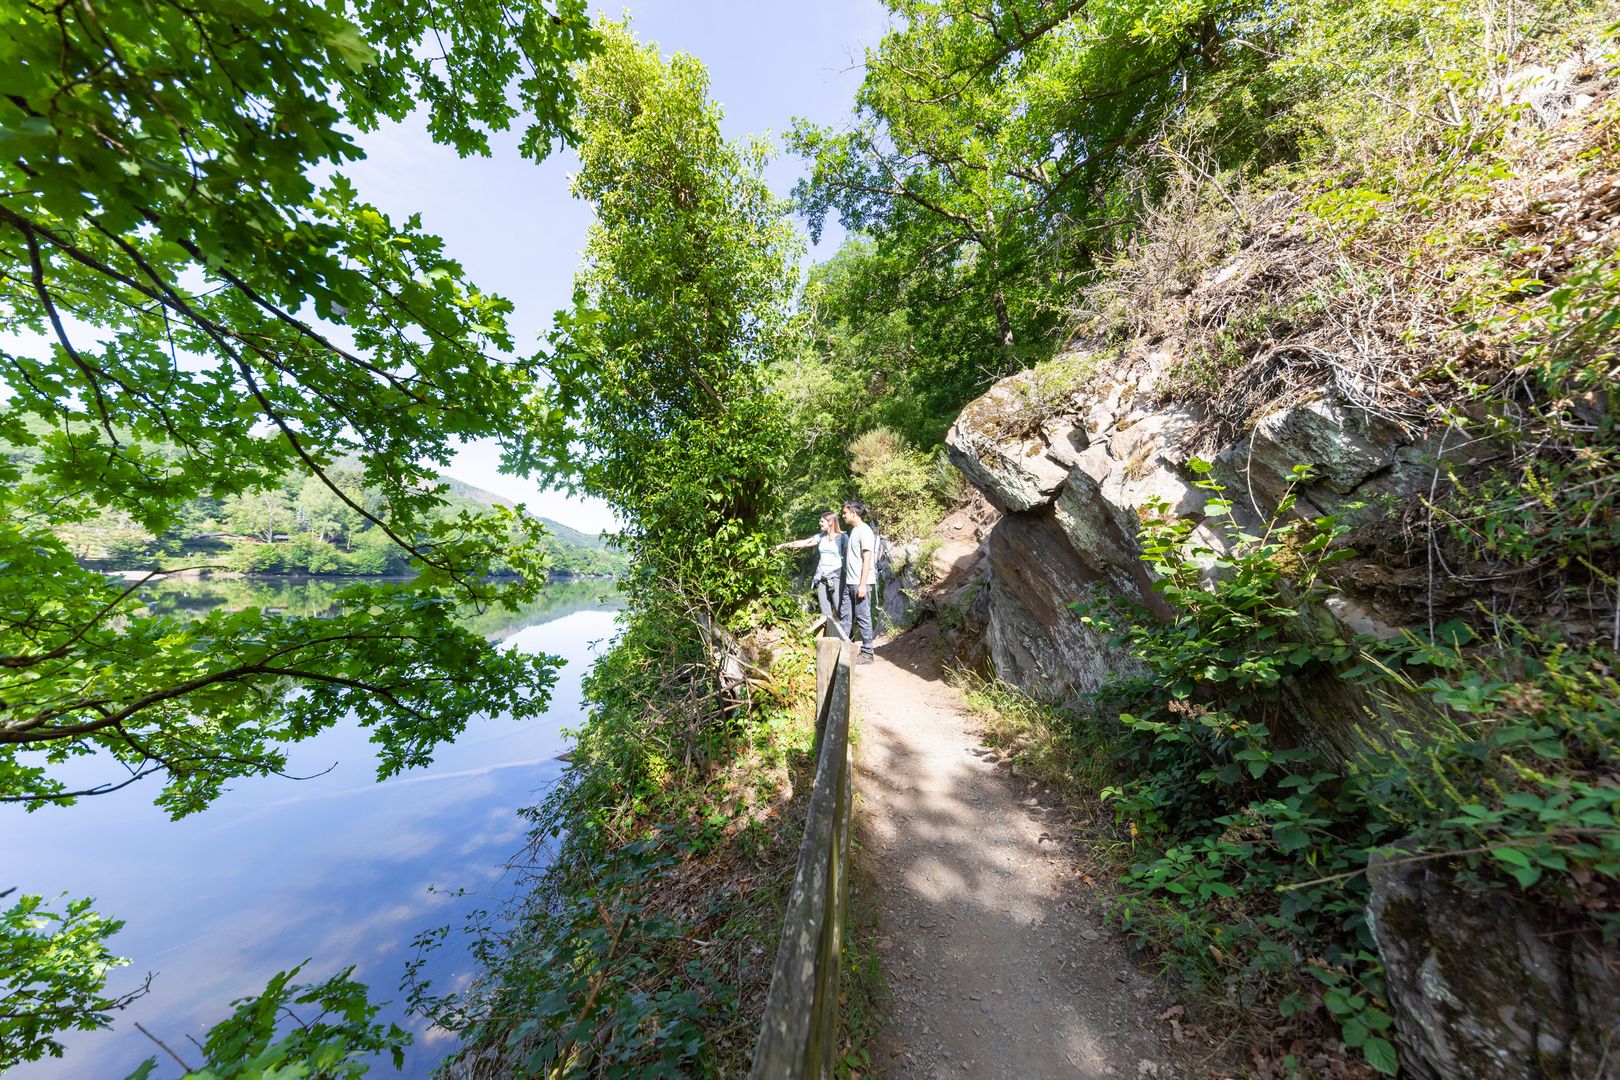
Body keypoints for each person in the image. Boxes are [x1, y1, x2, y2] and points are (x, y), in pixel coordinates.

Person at [775, 511, 845, 629]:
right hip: (821, 577)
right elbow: (802, 543)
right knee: (825, 613)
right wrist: (783, 545)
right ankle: (828, 636)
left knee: (840, 610)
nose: (820, 523)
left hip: (836, 577)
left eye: (822, 521)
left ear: (830, 522)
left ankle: (849, 636)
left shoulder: (843, 537)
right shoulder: (820, 537)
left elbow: (851, 556)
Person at [839, 500, 877, 664]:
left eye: (845, 513)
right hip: (850, 582)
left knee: (863, 617)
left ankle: (867, 654)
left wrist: (862, 585)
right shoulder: (854, 530)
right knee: (845, 617)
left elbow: (867, 560)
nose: (843, 516)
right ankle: (844, 650)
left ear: (854, 513)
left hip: (860, 583)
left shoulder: (865, 531)